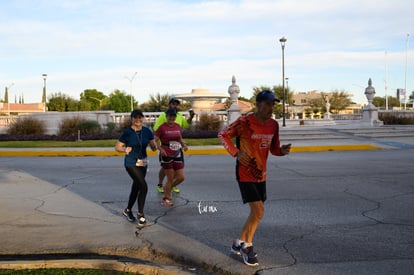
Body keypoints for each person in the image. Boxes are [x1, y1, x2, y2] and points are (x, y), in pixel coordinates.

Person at [218, 90, 291, 266]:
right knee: (259, 211)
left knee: (255, 213)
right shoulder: (244, 122)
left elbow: (274, 148)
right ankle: (247, 246)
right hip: (245, 173)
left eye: (273, 104)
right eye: (268, 104)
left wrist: (281, 151)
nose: (271, 108)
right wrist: (236, 152)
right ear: (258, 105)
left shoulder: (273, 125)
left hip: (261, 174)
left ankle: (238, 243)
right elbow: (223, 135)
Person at [115, 109, 157, 226]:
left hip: (143, 162)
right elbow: (117, 147)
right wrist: (124, 149)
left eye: (140, 117)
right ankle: (140, 213)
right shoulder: (127, 132)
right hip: (131, 163)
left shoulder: (147, 131)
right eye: (135, 117)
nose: (138, 120)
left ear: (142, 118)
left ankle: (128, 210)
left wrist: (154, 146)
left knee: (137, 187)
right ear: (131, 119)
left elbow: (153, 145)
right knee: (143, 186)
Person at [153, 98, 194, 194]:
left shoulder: (179, 116)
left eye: (176, 104)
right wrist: (160, 147)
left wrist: (191, 117)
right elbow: (157, 129)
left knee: (177, 168)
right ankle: (160, 184)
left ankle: (172, 185)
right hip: (165, 147)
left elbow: (185, 125)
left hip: (176, 148)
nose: (175, 106)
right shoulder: (163, 115)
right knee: (165, 168)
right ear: (169, 104)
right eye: (173, 104)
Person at [154, 108, 188, 206]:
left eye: (173, 116)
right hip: (166, 154)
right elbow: (155, 141)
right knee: (170, 177)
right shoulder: (162, 128)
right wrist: (161, 149)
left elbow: (179, 138)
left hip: (177, 152)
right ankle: (167, 198)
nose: (171, 118)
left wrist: (184, 145)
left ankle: (167, 188)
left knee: (181, 177)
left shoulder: (177, 126)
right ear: (166, 117)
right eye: (170, 116)